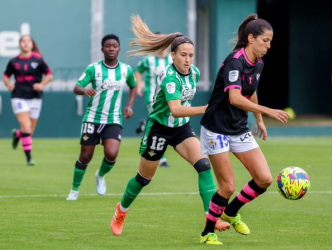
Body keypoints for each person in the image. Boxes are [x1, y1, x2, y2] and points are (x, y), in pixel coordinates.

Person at [110, 14, 230, 236]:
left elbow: (182, 110)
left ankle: (211, 218)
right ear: (172, 55)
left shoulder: (194, 72)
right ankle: (121, 211)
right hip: (159, 129)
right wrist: (208, 108)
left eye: (191, 55)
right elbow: (175, 109)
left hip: (181, 128)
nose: (187, 59)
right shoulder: (169, 77)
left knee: (203, 165)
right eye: (183, 55)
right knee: (144, 179)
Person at [199, 14, 290, 245]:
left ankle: (230, 212)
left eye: (270, 41)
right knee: (227, 186)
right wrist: (268, 110)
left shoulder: (258, 63)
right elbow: (235, 97)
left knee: (264, 179)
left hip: (238, 128)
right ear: (251, 38)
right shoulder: (235, 61)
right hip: (216, 129)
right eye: (265, 40)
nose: (269, 46)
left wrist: (259, 118)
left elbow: (250, 90)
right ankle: (208, 232)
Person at [66, 34, 137, 201]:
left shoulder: (126, 69)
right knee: (86, 156)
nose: (111, 48)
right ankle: (74, 190)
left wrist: (129, 106)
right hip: (92, 118)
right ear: (102, 49)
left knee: (111, 154)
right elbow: (77, 87)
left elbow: (133, 86)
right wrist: (84, 90)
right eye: (107, 46)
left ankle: (100, 175)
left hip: (113, 119)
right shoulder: (94, 69)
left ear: (119, 49)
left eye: (114, 46)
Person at [3, 35, 53, 166]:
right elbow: (6, 76)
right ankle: (29, 158)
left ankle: (18, 134)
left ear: (32, 44)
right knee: (26, 126)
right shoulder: (14, 61)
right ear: (19, 44)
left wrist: (42, 85)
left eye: (28, 41)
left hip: (35, 97)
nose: (25, 43)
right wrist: (8, 84)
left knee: (29, 131)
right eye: (23, 41)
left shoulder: (38, 59)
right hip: (18, 96)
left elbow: (49, 75)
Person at [134, 33, 172, 167]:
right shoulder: (148, 60)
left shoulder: (173, 59)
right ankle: (161, 158)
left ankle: (144, 124)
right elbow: (138, 71)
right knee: (161, 124)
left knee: (164, 122)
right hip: (152, 98)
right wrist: (139, 85)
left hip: (169, 99)